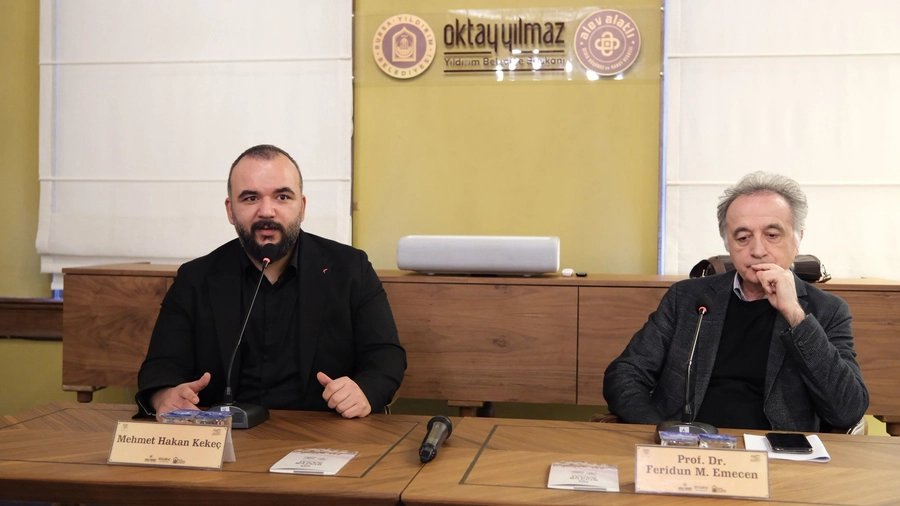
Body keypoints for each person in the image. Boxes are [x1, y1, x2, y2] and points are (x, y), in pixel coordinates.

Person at [136, 144, 406, 420]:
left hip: (323, 431)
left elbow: (386, 355)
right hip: (225, 434)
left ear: (302, 207)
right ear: (230, 210)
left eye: (282, 197)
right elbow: (161, 365)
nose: (267, 211)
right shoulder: (195, 278)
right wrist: (164, 395)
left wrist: (364, 391)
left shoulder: (350, 269)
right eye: (251, 198)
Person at [603, 172, 868, 431]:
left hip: (777, 452)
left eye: (772, 235)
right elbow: (624, 375)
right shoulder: (687, 298)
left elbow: (847, 411)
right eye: (743, 238)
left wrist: (796, 316)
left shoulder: (827, 310)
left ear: (798, 239)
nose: (758, 250)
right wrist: (661, 431)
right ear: (727, 243)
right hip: (688, 448)